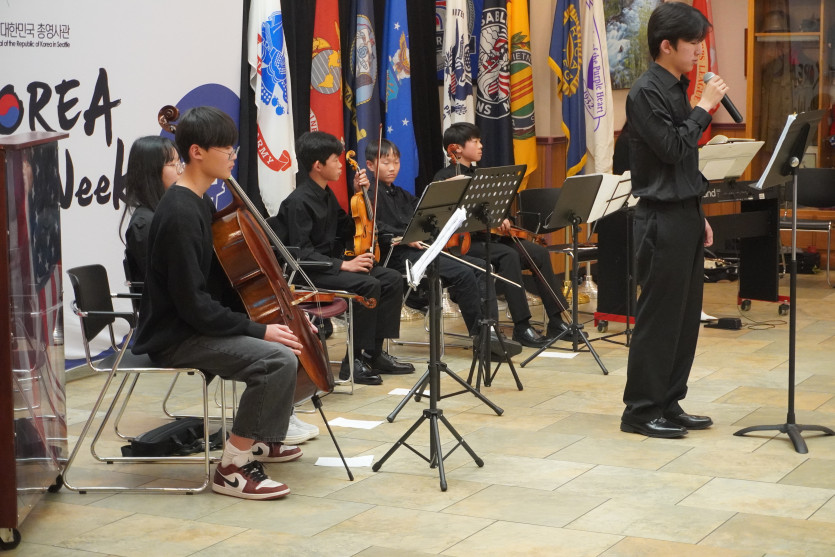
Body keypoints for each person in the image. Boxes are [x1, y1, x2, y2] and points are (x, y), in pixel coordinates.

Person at [132, 106, 306, 501]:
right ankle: (232, 468)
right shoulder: (179, 213)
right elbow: (192, 304)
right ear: (197, 152)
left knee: (286, 342)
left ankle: (260, 440)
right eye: (227, 149)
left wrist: (278, 317)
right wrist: (259, 330)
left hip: (196, 326)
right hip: (176, 337)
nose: (233, 156)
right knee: (277, 360)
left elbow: (223, 286)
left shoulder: (199, 203)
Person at [620, 2, 725, 438]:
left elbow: (684, 164)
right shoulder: (645, 92)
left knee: (684, 317)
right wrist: (705, 108)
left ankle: (669, 401)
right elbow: (672, 148)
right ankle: (640, 411)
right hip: (660, 218)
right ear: (667, 45)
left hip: (684, 213)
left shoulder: (678, 87)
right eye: (693, 43)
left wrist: (698, 212)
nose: (699, 51)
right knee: (659, 317)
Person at [358, 138, 522, 359]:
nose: (392, 168)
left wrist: (445, 192)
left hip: (422, 251)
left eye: (396, 162)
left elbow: (425, 211)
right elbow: (375, 227)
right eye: (386, 163)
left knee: (482, 267)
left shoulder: (401, 193)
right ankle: (480, 338)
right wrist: (404, 237)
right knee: (463, 273)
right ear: (370, 165)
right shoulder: (368, 195)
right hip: (398, 256)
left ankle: (490, 332)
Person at [273, 131, 414, 385]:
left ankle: (374, 353)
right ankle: (353, 361)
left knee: (391, 278)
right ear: (318, 166)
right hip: (311, 271)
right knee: (368, 284)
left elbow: (348, 228)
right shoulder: (298, 202)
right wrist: (345, 265)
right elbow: (300, 253)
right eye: (335, 160)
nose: (341, 165)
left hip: (331, 266)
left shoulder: (326, 195)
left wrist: (360, 195)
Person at [433, 122, 574, 348]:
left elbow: (496, 206)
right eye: (475, 141)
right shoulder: (443, 177)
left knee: (538, 252)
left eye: (480, 141)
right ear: (456, 148)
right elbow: (441, 216)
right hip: (465, 243)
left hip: (492, 238)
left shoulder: (482, 175)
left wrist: (503, 218)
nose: (481, 145)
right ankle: (522, 326)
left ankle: (557, 320)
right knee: (509, 256)